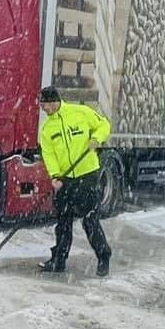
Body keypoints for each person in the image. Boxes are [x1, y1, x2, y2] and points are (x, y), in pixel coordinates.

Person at [37, 86, 112, 277]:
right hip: (66, 179)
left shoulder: (81, 112)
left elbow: (104, 125)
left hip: (87, 174)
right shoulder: (47, 129)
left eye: (44, 105)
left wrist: (96, 138)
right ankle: (59, 260)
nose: (43, 109)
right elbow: (49, 155)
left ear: (53, 101)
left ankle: (104, 256)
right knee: (63, 221)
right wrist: (55, 176)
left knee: (89, 220)